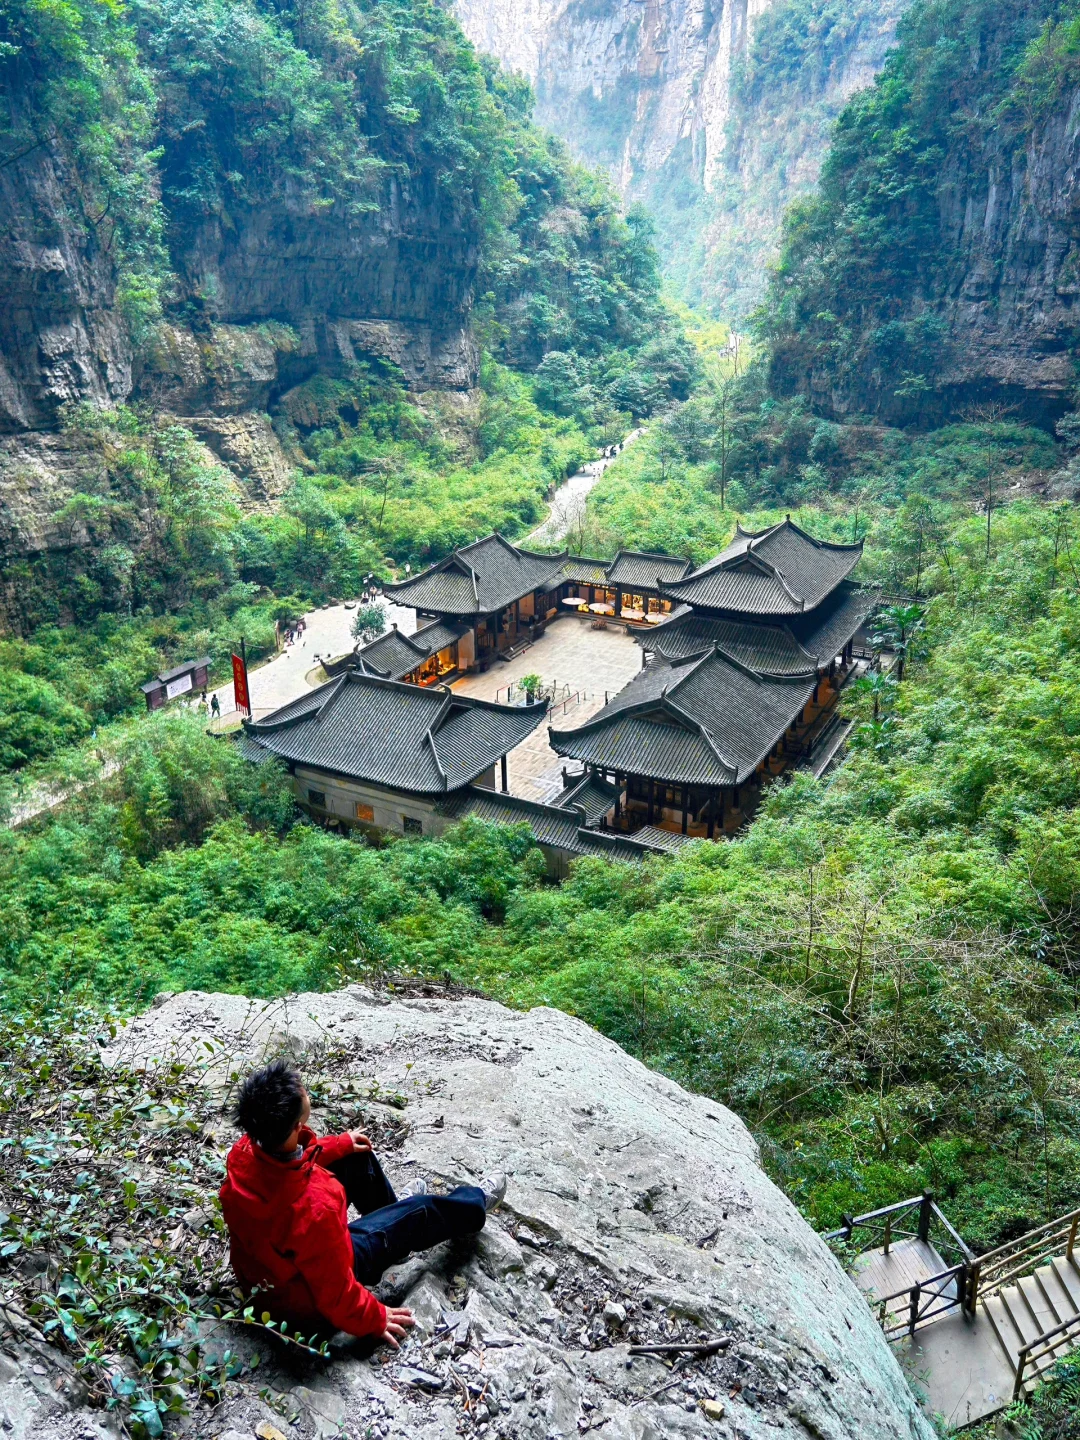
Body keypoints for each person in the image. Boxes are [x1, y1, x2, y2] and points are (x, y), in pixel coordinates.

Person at [219, 1060, 503, 1346]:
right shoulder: (316, 1207)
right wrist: (374, 1318)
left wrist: (339, 1145)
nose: (303, 1088)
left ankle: (394, 1226)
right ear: (296, 1125)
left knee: (354, 1156)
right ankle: (475, 1203)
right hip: (305, 1306)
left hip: (274, 1278)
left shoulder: (243, 1153)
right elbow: (334, 1292)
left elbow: (290, 1163)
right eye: (302, 1091)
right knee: (420, 1211)